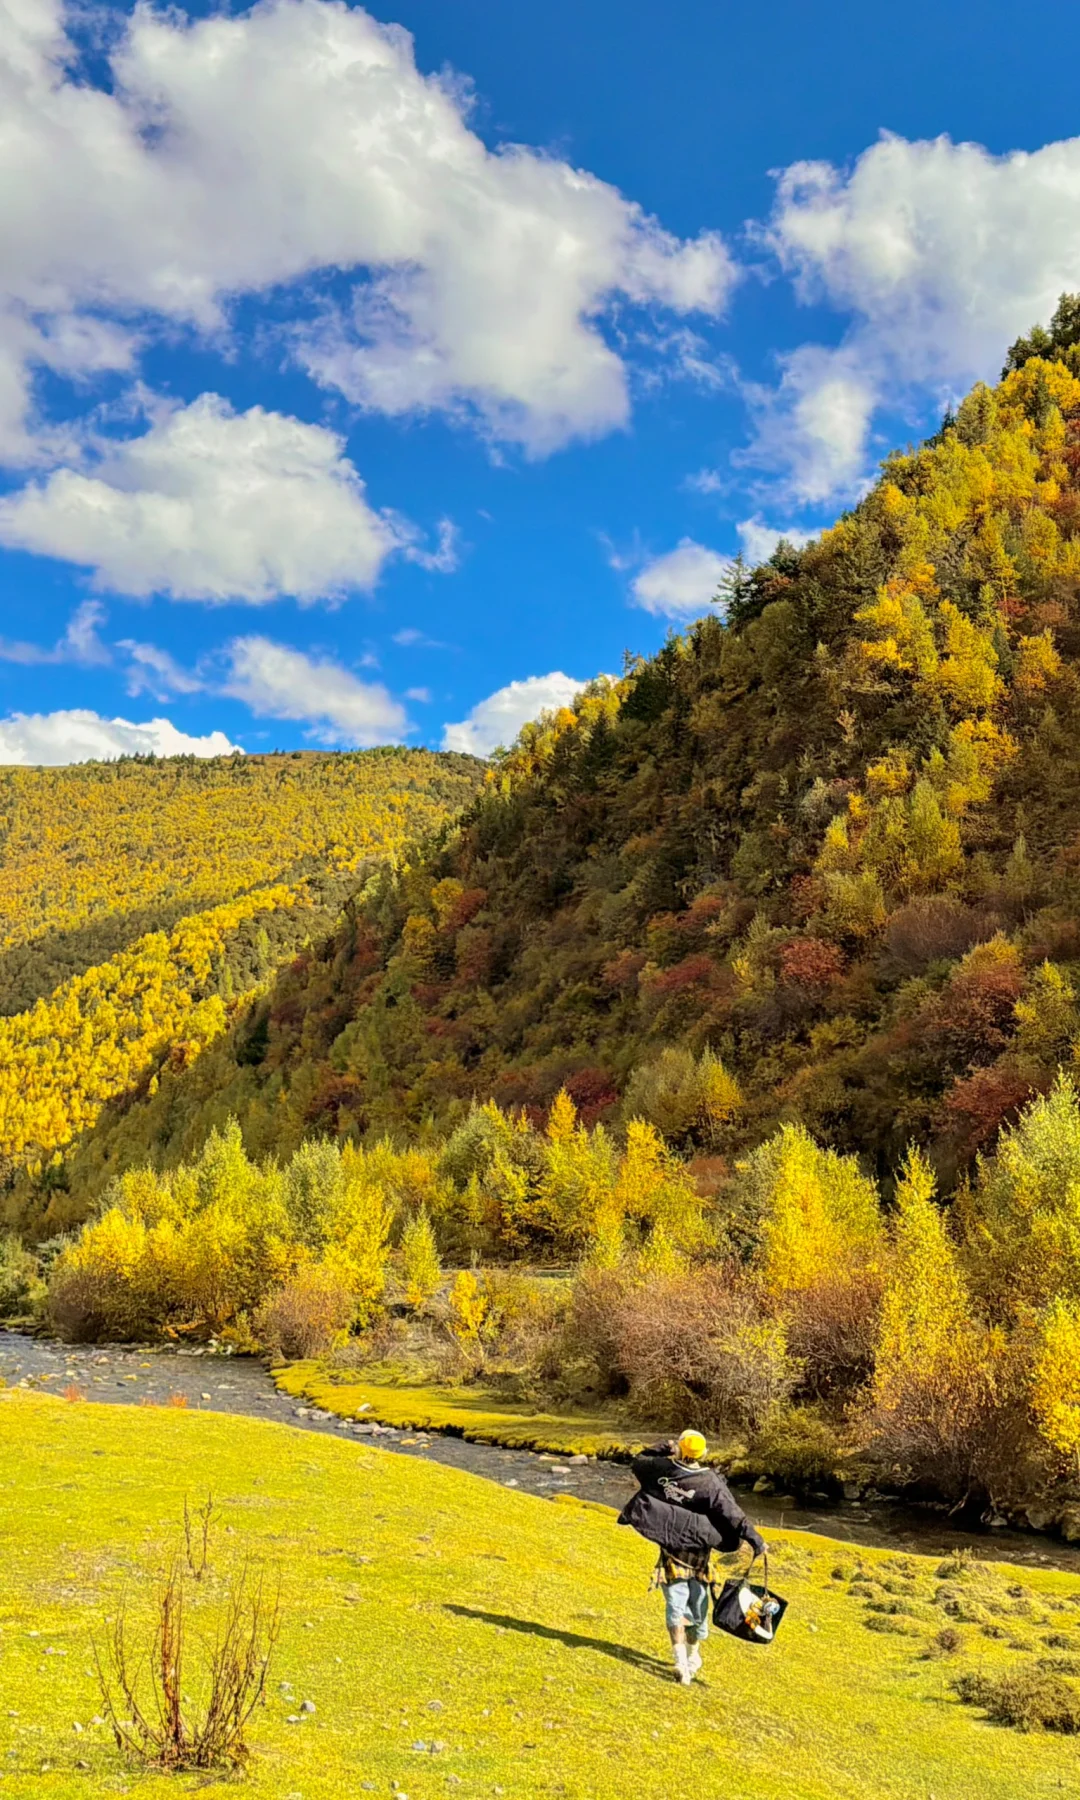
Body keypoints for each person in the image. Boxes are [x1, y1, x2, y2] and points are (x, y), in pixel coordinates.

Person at [617, 1428, 766, 1685]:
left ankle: (693, 1655)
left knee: (698, 1612)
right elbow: (734, 1515)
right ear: (704, 1453)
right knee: (676, 1605)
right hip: (674, 1554)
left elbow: (639, 1460)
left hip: (698, 1559)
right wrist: (757, 1541)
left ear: (681, 1448)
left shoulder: (668, 1470)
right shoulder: (704, 1481)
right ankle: (680, 1662)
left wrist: (665, 1445)